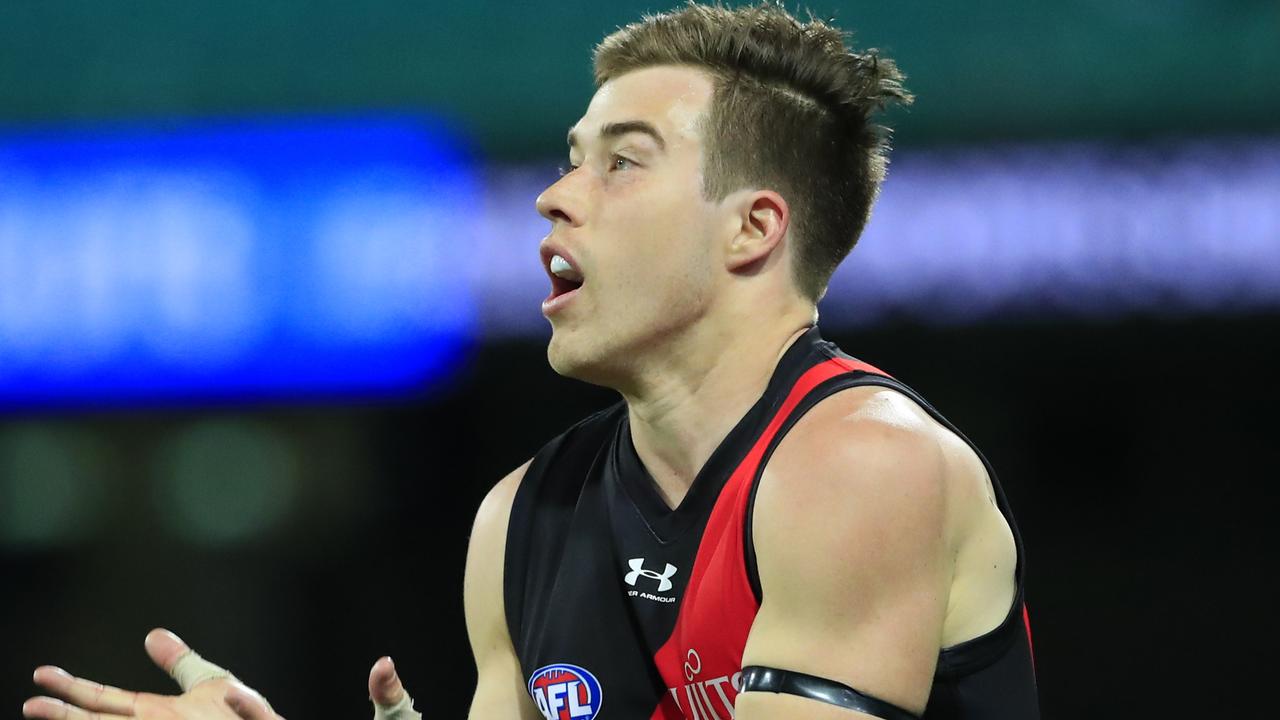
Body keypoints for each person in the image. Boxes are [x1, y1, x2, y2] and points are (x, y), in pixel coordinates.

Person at [23, 3, 1039, 719]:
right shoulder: (520, 520)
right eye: (567, 157)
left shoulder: (862, 467)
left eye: (620, 162)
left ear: (751, 229)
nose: (557, 195)